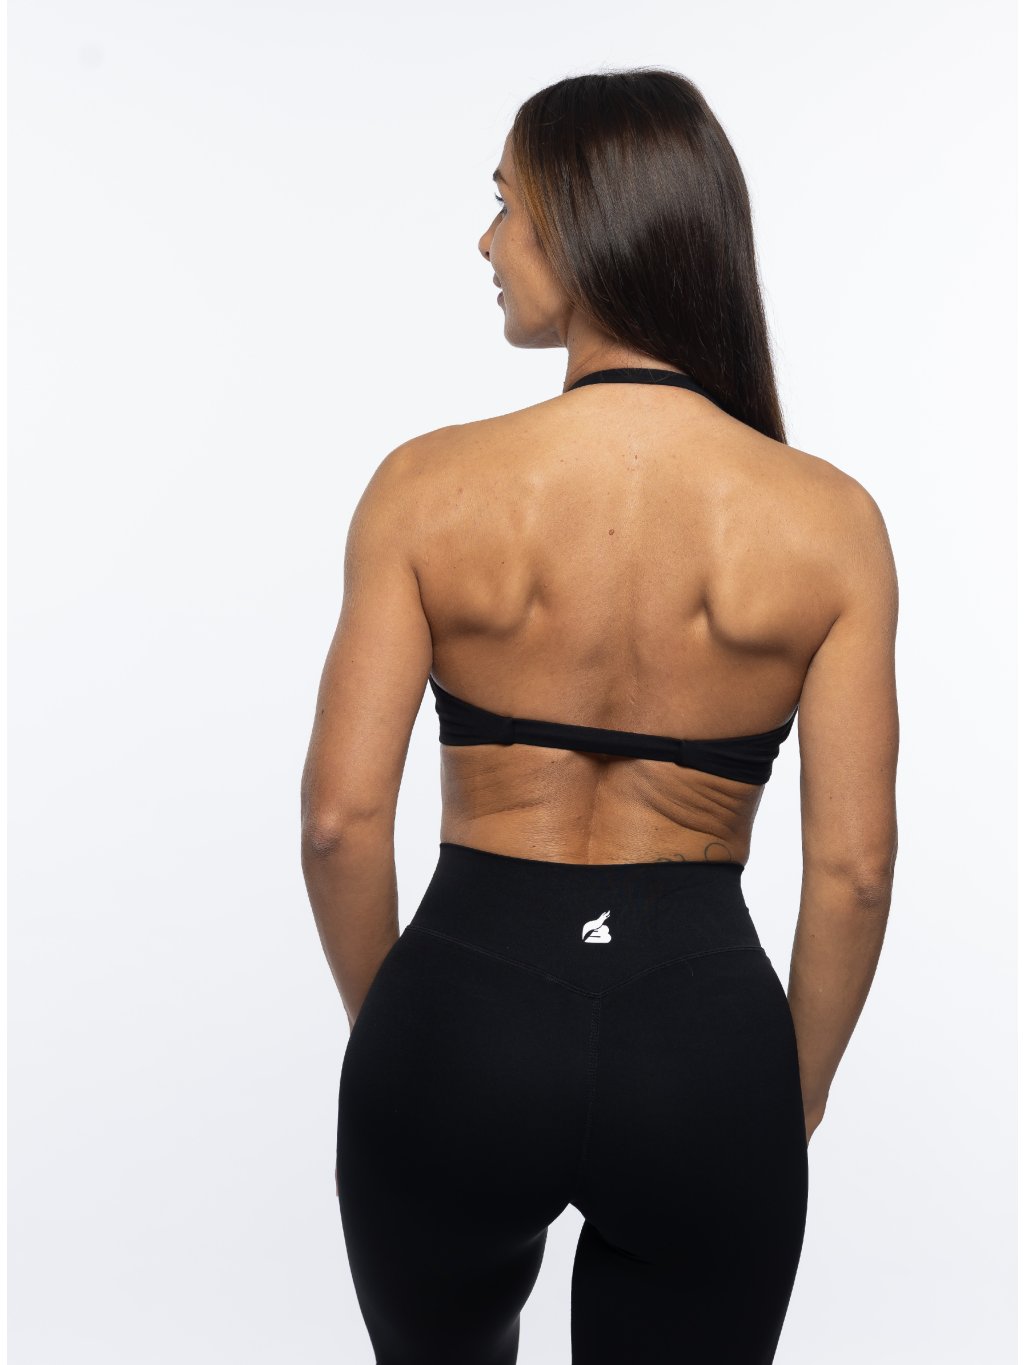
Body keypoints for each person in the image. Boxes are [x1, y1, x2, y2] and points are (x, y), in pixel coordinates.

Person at [300, 66, 899, 1365]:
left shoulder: (426, 487)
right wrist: (776, 1104)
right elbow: (854, 872)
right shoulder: (831, 522)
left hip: (458, 1020)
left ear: (579, 223)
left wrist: (403, 1041)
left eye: (505, 204)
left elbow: (340, 821)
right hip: (705, 1045)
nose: (487, 243)